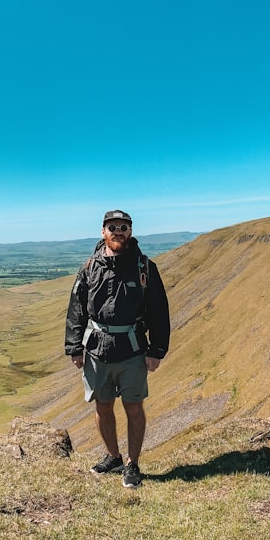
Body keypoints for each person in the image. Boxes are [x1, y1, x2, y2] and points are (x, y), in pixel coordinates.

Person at [65, 209, 170, 488]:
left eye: (124, 226)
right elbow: (77, 309)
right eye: (112, 227)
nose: (118, 231)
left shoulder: (145, 267)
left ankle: (132, 465)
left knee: (134, 408)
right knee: (102, 406)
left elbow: (159, 311)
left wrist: (157, 350)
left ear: (131, 231)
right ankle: (113, 456)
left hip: (133, 351)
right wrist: (74, 347)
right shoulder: (89, 267)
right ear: (103, 232)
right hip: (97, 351)